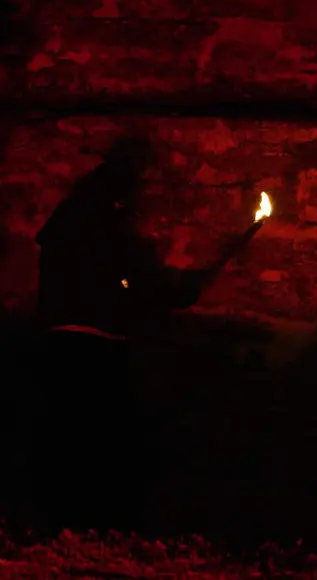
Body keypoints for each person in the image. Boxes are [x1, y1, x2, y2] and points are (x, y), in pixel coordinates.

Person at [33, 138, 207, 534]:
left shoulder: (67, 225)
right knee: (99, 444)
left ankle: (61, 522)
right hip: (94, 350)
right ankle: (91, 525)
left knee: (63, 440)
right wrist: (180, 290)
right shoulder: (111, 233)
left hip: (57, 346)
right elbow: (142, 286)